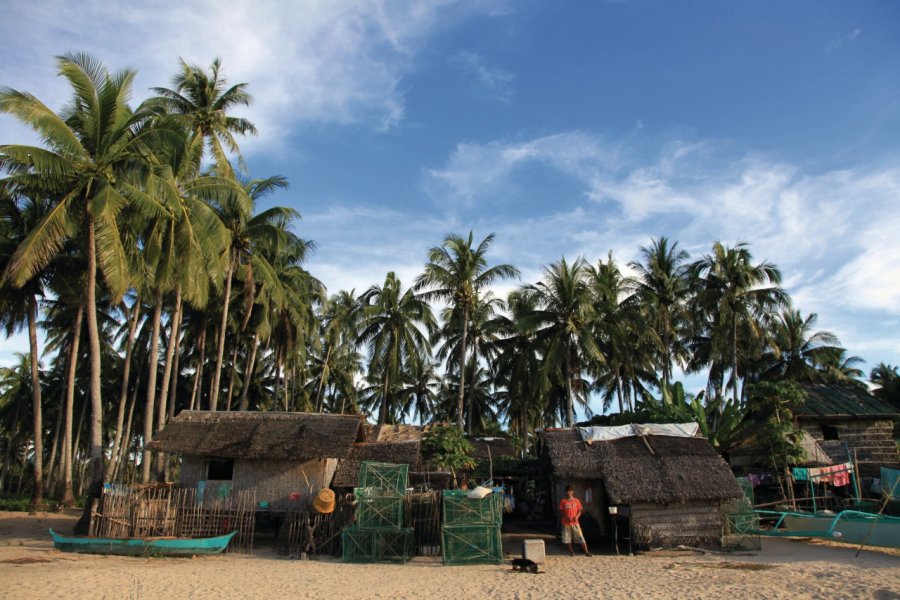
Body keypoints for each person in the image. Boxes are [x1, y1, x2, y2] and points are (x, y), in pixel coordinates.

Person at [559, 485, 591, 557]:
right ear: (565, 492)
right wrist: (566, 517)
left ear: (572, 492)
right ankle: (571, 552)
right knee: (568, 538)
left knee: (580, 536)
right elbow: (561, 511)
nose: (568, 492)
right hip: (566, 523)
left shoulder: (576, 501)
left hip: (575, 522)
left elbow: (579, 511)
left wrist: (577, 517)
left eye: (570, 491)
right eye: (567, 491)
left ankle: (586, 551)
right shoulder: (563, 501)